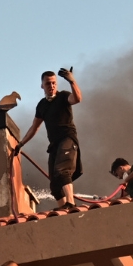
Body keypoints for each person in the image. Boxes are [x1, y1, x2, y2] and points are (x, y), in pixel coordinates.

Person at [15, 68, 83, 209]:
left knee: (62, 170)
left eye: (54, 83)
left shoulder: (63, 96)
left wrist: (72, 81)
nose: (51, 86)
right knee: (54, 184)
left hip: (67, 139)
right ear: (42, 85)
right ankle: (63, 211)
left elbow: (77, 99)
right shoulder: (42, 105)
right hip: (54, 144)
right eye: (48, 83)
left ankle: (71, 203)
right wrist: (20, 144)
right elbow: (34, 128)